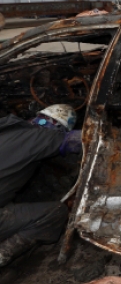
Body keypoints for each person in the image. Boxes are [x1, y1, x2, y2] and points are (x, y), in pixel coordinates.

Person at [0, 105, 82, 267]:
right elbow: (79, 140)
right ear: (57, 126)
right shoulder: (42, 136)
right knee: (55, 212)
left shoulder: (6, 128)